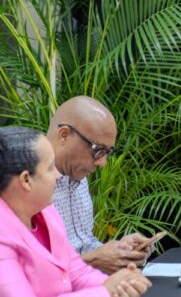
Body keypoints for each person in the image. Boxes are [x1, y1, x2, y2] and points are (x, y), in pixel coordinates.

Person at [0, 126, 151, 297]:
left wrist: (122, 283)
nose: (58, 175)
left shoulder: (47, 212)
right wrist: (105, 291)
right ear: (26, 180)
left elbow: (76, 273)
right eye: (50, 168)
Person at [47, 97, 150, 274]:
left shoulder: (78, 174)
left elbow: (85, 244)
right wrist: (92, 260)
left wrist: (119, 250)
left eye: (108, 152)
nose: (102, 162)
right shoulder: (25, 183)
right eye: (98, 150)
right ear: (64, 135)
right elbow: (33, 270)